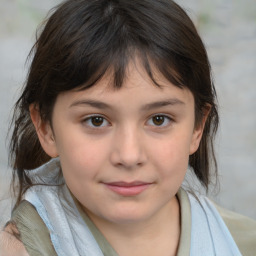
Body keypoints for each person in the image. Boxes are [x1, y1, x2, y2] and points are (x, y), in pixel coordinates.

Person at [1, 0, 255, 255]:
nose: (129, 155)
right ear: (45, 128)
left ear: (198, 127)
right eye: (96, 120)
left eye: (159, 119)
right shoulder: (18, 249)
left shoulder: (241, 243)